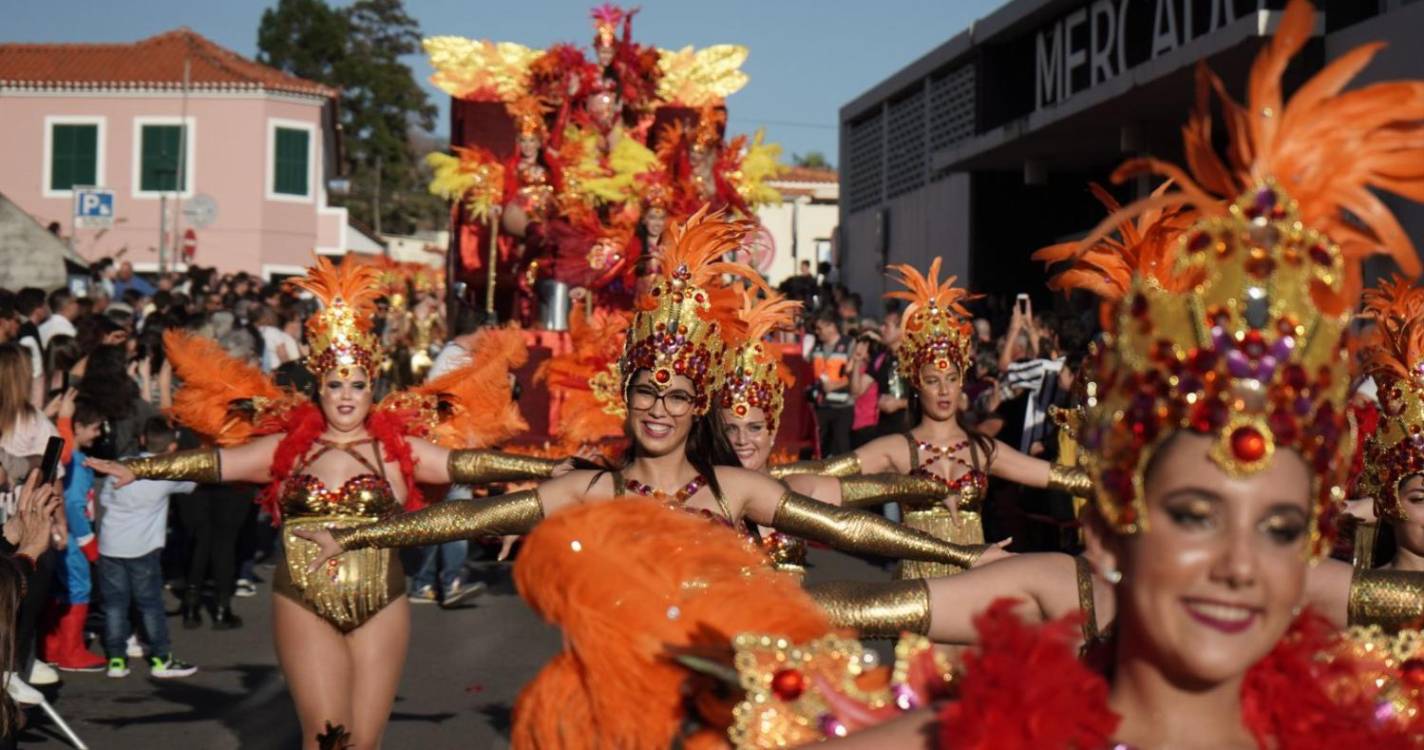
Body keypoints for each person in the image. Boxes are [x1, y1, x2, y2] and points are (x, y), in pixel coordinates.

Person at [774, 5, 1424, 744]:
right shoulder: (999, 721)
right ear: (1113, 534)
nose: (1240, 566)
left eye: (1280, 530)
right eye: (1194, 516)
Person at [296, 210, 1007, 590]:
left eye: (675, 395)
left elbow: (851, 530)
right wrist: (361, 535)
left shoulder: (733, 488)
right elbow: (479, 516)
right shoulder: (596, 489)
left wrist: (961, 558)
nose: (660, 408)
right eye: (647, 393)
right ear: (624, 397)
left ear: (699, 407)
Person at [87, 256, 542, 749]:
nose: (346, 396)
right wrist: (141, 468)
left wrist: (548, 471)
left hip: (381, 605)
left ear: (374, 386)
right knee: (327, 738)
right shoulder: (290, 448)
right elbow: (215, 465)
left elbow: (466, 466)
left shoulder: (397, 448)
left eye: (357, 384)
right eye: (335, 384)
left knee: (363, 744)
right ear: (318, 387)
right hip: (305, 604)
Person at [775, 260, 1090, 578]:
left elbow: (1058, 476)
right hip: (917, 593)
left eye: (952, 378)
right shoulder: (897, 449)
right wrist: (761, 477)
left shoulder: (982, 449)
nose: (944, 390)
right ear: (916, 385)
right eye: (932, 380)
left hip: (973, 591)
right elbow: (824, 472)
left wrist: (1119, 477)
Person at [717, 292, 980, 576]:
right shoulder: (707, 493)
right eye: (731, 428)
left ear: (772, 431)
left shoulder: (791, 489)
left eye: (754, 428)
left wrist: (935, 490)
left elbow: (853, 520)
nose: (742, 440)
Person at [96, 417, 199, 678]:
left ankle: (117, 659)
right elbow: (194, 481)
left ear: (142, 439)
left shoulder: (121, 466)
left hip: (110, 545)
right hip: (143, 547)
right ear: (172, 447)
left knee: (115, 604)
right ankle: (160, 657)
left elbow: (106, 499)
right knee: (150, 603)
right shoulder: (165, 475)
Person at [41, 395, 106, 671]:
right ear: (77, 427)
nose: (99, 433)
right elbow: (76, 506)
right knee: (79, 589)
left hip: (64, 536)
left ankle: (52, 647)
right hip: (74, 539)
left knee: (62, 589)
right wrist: (88, 542)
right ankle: (71, 651)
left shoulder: (76, 460)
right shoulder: (76, 464)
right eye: (94, 427)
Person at [809, 310, 854, 456]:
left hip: (842, 406)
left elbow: (854, 376)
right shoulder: (817, 346)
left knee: (841, 447)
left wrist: (834, 386)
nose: (817, 332)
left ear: (831, 326)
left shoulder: (848, 344)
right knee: (820, 447)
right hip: (821, 405)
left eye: (819, 328)